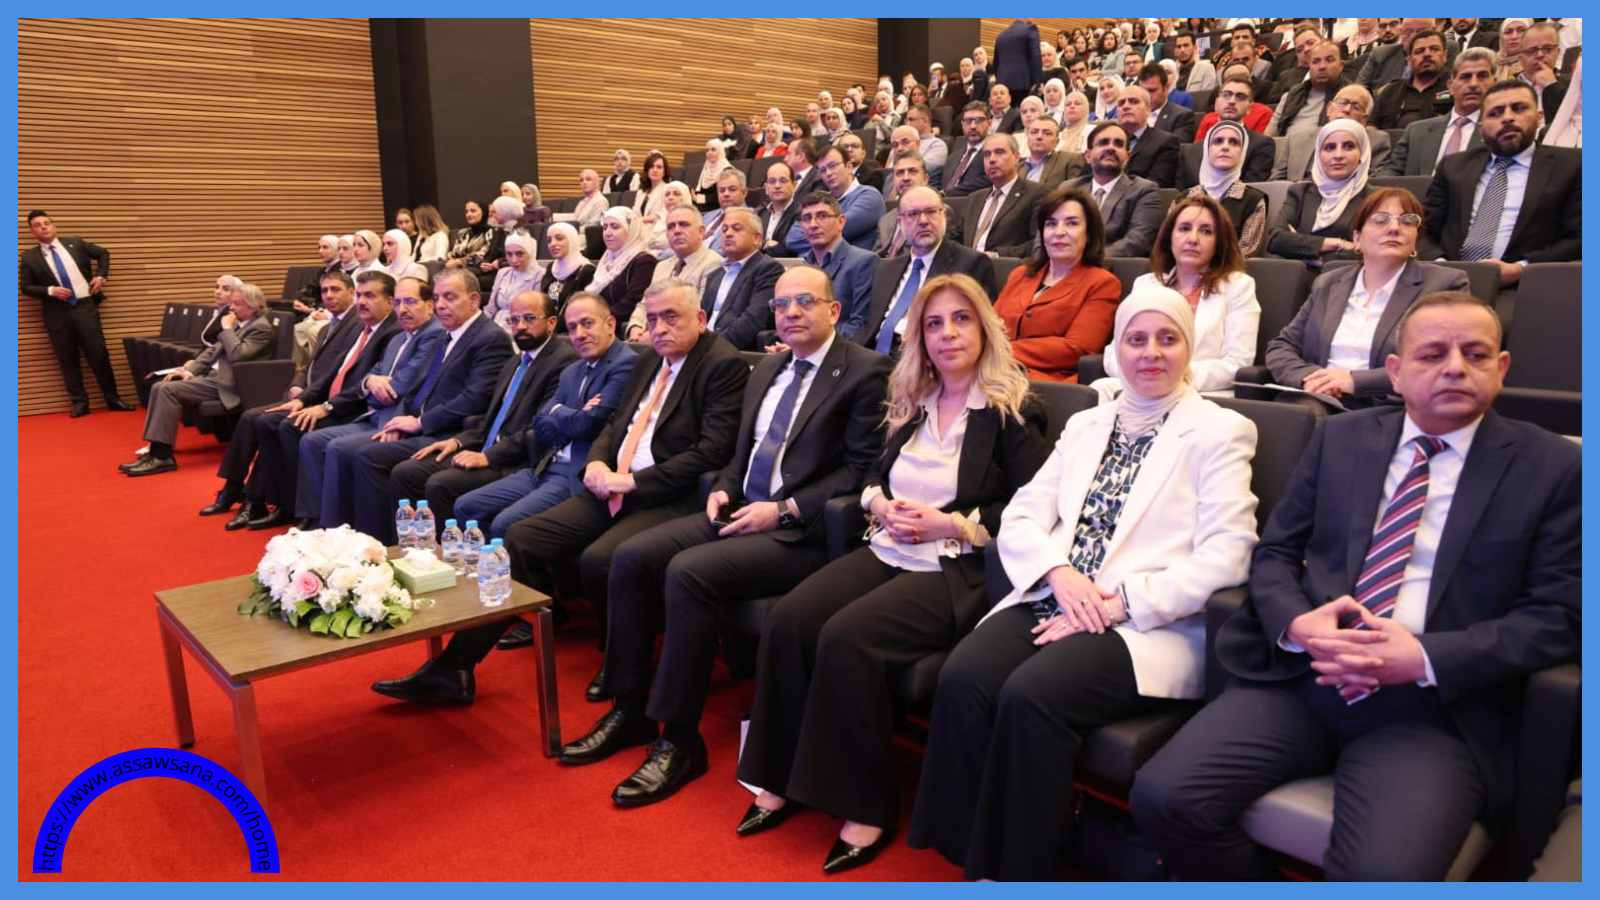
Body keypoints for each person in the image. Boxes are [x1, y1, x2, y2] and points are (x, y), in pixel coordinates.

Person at [1133, 292, 1580, 881]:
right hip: (1304, 678)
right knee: (1164, 796)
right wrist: (1298, 624)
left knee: (1382, 876)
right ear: (1395, 371)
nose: (1454, 367)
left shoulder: (1555, 467)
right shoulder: (1340, 438)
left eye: (1475, 354)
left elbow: (1561, 615)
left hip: (1432, 709)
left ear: (1501, 368)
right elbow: (1276, 554)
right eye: (1432, 354)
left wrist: (1422, 656)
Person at [911, 284, 1261, 881]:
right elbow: (1023, 515)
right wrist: (1059, 573)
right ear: (1117, 349)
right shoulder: (1087, 423)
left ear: (1188, 348)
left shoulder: (1220, 430)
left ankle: (1020, 872)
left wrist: (1117, 603)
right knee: (964, 676)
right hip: (1059, 592)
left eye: (1168, 339)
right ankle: (968, 848)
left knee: (1032, 695)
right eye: (1136, 339)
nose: (1151, 352)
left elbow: (1229, 555)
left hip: (1145, 622)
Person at [736, 273, 1051, 874]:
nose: (947, 333)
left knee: (848, 638)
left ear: (984, 327)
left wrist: (950, 523)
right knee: (791, 619)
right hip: (887, 546)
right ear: (920, 339)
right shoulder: (912, 401)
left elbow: (1032, 508)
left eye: (960, 319)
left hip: (956, 567)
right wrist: (878, 505)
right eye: (933, 324)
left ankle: (865, 804)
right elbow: (873, 478)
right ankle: (776, 775)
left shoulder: (1013, 410)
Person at [560, 265, 891, 807]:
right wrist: (725, 488)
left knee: (688, 572)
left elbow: (859, 471)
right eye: (780, 305)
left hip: (800, 532)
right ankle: (629, 706)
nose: (790, 313)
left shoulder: (865, 371)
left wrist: (782, 510)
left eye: (804, 302)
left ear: (834, 311)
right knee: (632, 557)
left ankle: (679, 739)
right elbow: (741, 452)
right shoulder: (767, 368)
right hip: (736, 509)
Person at [371, 280, 748, 705]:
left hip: (664, 494)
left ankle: (620, 663)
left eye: (671, 317)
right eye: (654, 318)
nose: (659, 328)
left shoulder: (721, 364)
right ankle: (455, 667)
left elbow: (712, 451)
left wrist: (632, 481)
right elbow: (614, 426)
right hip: (609, 482)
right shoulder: (650, 359)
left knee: (600, 559)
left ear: (701, 318)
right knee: (519, 539)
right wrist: (598, 463)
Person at [351, 290, 573, 542]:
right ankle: (411, 551)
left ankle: (452, 557)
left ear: (551, 322)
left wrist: (487, 456)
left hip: (515, 459)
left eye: (529, 318)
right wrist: (458, 441)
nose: (520, 326)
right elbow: (490, 418)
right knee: (407, 473)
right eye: (514, 320)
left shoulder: (562, 361)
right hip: (485, 445)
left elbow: (538, 428)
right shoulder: (516, 362)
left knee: (440, 484)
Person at [427, 293, 638, 542]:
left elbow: (588, 425)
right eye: (572, 327)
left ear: (611, 324)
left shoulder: (626, 364)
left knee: (505, 523)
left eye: (587, 323)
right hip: (543, 464)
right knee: (466, 506)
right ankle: (478, 563)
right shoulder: (573, 369)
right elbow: (541, 421)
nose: (579, 334)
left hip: (573, 473)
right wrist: (568, 413)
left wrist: (559, 411)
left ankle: (498, 566)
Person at [326, 267, 512, 535]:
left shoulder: (489, 337)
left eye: (450, 297)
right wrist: (402, 421)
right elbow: (420, 388)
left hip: (453, 432)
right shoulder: (448, 335)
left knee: (370, 457)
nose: (441, 305)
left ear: (474, 300)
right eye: (437, 298)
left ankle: (381, 542)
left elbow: (475, 399)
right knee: (361, 452)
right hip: (427, 426)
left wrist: (420, 422)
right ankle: (365, 536)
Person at [227, 271, 406, 529]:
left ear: (390, 301)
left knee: (290, 426)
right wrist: (304, 399)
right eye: (360, 295)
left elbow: (361, 386)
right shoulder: (364, 327)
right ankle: (275, 502)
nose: (362, 302)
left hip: (354, 409)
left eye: (370, 296)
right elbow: (332, 372)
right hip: (329, 400)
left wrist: (326, 407)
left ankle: (300, 509)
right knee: (267, 422)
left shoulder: (391, 333)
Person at [1267, 188, 1471, 411]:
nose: (1394, 228)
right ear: (1357, 238)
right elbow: (1282, 346)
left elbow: (1443, 360)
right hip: (1320, 399)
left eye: (1407, 221)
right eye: (1381, 220)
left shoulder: (1444, 285)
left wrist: (1356, 381)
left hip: (1391, 407)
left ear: (1415, 240)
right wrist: (1310, 377)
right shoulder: (1328, 283)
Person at [205, 270, 365, 519]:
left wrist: (306, 396)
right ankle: (233, 488)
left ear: (352, 293)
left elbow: (335, 373)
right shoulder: (326, 328)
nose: (329, 295)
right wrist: (297, 385)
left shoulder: (357, 326)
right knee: (250, 417)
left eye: (336, 289)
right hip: (306, 392)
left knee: (266, 422)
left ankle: (255, 497)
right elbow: (307, 366)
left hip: (323, 399)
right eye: (325, 290)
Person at [1421, 80, 1582, 286]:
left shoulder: (1572, 165)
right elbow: (1424, 229)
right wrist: (1441, 267)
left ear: (1539, 117)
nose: (1507, 118)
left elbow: (1581, 238)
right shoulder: (1453, 166)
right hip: (1450, 283)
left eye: (1519, 108)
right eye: (1495, 113)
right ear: (1481, 127)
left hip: (1526, 286)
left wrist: (1522, 268)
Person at [1100, 195, 1259, 396]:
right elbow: (1113, 353)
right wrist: (1146, 375)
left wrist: (1173, 374)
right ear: (1169, 237)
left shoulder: (1238, 286)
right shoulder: (1146, 284)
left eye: (1206, 231)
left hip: (1201, 391)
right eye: (1184, 228)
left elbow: (1238, 362)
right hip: (1141, 384)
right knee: (1100, 389)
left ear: (1219, 243)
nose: (1193, 239)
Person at [121, 281, 275, 475]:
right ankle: (157, 452)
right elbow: (212, 352)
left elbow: (238, 355)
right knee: (160, 386)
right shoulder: (239, 323)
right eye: (232, 303)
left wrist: (227, 329)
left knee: (167, 390)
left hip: (231, 384)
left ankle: (162, 457)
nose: (231, 307)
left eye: (237, 304)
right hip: (213, 378)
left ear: (253, 306)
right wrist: (190, 371)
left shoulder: (261, 328)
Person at [991, 186, 1121, 382]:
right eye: (1051, 224)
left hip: (1047, 383)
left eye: (1071, 223)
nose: (1059, 232)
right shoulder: (1020, 274)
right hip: (992, 371)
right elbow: (991, 326)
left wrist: (1000, 352)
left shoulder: (1102, 283)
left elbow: (1078, 348)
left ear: (1089, 233)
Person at [19, 210, 133, 416]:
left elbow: (103, 253)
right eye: (37, 225)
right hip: (57, 313)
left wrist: (101, 276)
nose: (43, 227)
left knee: (99, 354)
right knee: (67, 358)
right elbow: (26, 287)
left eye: (47, 223)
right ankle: (79, 402)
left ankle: (113, 399)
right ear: (32, 232)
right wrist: (50, 291)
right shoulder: (29, 257)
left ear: (54, 226)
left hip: (84, 308)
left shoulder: (75, 243)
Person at [863, 186, 997, 355]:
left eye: (931, 212)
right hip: (871, 356)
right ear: (900, 222)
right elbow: (865, 324)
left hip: (923, 357)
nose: (923, 221)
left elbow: (976, 330)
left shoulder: (971, 264)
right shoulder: (885, 268)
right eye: (913, 214)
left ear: (944, 215)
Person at [1265, 118, 1374, 264]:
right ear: (1318, 155)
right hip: (1298, 275)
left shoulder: (1375, 199)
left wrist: (1301, 247)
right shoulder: (1299, 193)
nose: (1338, 155)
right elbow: (1276, 240)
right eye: (1329, 147)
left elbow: (1369, 251)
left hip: (1348, 275)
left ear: (1362, 154)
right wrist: (1339, 243)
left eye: (1348, 147)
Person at [1381, 48, 1494, 177]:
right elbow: (1389, 173)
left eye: (1482, 76)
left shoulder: (1499, 133)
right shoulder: (1415, 131)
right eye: (1465, 77)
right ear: (1450, 86)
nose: (1473, 84)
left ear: (1494, 83)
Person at [1068, 121, 1166, 258]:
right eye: (1103, 142)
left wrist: (1087, 260)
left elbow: (1137, 241)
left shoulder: (1144, 191)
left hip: (1109, 265)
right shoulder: (1070, 188)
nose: (1111, 148)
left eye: (1118, 144)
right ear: (1088, 156)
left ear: (1127, 157)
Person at [625, 205, 722, 339]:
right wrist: (635, 326)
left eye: (684, 225)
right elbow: (644, 304)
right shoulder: (661, 266)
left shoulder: (714, 263)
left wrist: (652, 335)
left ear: (701, 232)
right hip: (648, 336)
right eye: (671, 227)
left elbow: (694, 312)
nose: (676, 231)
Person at [794, 191, 878, 341]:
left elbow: (858, 327)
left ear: (841, 222)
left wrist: (809, 340)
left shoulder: (864, 262)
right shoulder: (802, 268)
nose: (813, 225)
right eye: (807, 218)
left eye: (822, 216)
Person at [698, 208, 784, 351]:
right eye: (724, 230)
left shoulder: (768, 269)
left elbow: (753, 321)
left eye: (736, 229)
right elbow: (700, 319)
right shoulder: (715, 275)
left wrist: (712, 349)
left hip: (736, 352)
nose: (728, 234)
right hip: (704, 348)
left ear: (757, 239)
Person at [951, 134, 1047, 258]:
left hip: (1004, 265)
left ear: (1016, 157)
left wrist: (997, 255)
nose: (992, 159)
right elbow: (956, 238)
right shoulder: (975, 198)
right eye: (987, 154)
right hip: (968, 265)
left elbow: (1038, 243)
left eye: (999, 152)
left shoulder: (1036, 194)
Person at [1274, 84, 1393, 180]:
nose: (1347, 110)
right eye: (1343, 103)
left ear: (1364, 119)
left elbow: (1373, 182)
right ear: (1329, 109)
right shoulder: (1296, 139)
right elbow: (1277, 182)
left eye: (1356, 107)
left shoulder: (1376, 141)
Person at [1188, 121, 1268, 256]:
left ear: (1242, 152)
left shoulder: (1253, 201)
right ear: (1207, 149)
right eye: (1218, 141)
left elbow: (1246, 252)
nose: (1225, 147)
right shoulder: (1184, 198)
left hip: (1229, 268)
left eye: (1234, 142)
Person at [589, 207, 657, 338]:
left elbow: (631, 303)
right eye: (605, 227)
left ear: (631, 230)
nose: (607, 233)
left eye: (615, 227)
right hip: (599, 326)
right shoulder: (606, 260)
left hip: (617, 330)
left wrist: (595, 320)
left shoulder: (644, 261)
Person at [1372, 29, 1454, 130]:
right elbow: (1371, 127)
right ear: (1409, 61)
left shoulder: (1456, 87)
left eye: (1434, 49)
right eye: (1419, 51)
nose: (1427, 54)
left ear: (1445, 56)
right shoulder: (1390, 91)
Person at [1268, 40, 1351, 137]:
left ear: (1341, 66)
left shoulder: (1352, 97)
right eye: (1315, 62)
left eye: (1329, 60)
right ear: (1309, 67)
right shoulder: (1290, 97)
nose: (1322, 66)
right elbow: (1269, 138)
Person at [1114, 85, 1180, 187]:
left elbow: (1156, 184)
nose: (1125, 106)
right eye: (1121, 103)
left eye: (1134, 101)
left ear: (1148, 109)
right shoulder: (1108, 141)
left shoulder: (1165, 142)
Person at [484, 233, 546, 330]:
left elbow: (535, 313)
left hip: (522, 328)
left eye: (519, 254)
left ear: (530, 253)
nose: (514, 260)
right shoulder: (503, 273)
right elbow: (491, 308)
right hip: (496, 326)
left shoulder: (540, 275)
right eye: (509, 254)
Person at [539, 223, 596, 325]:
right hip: (547, 325)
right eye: (549, 240)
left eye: (559, 238)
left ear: (572, 240)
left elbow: (583, 309)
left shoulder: (586, 270)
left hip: (570, 326)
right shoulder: (551, 267)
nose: (552, 244)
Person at [1019, 115, 1085, 190]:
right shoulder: (1018, 165)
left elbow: (1075, 193)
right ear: (1027, 138)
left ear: (1057, 141)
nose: (1039, 136)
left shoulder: (1070, 160)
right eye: (1034, 132)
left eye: (1047, 133)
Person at [944, 102, 995, 198]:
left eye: (978, 121)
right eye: (968, 121)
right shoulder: (952, 157)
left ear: (989, 123)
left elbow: (989, 180)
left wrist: (946, 194)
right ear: (962, 124)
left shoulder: (994, 153)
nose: (973, 126)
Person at [1140, 63, 1197, 137]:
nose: (1147, 95)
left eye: (1152, 90)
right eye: (1143, 91)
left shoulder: (1182, 116)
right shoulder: (1132, 114)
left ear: (1166, 88)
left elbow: (1176, 143)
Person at [757, 161, 801, 259]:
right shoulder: (759, 213)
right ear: (766, 188)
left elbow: (791, 251)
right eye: (772, 181)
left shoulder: (802, 213)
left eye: (783, 181)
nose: (777, 186)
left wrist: (762, 244)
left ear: (794, 185)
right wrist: (767, 243)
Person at [445, 200, 491, 268]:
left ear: (484, 213)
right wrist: (448, 260)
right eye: (467, 211)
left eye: (473, 211)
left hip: (476, 268)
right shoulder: (463, 232)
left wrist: (460, 262)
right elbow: (454, 253)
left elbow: (483, 255)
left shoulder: (490, 232)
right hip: (456, 268)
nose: (468, 214)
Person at [692, 139, 733, 212]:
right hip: (703, 207)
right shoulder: (706, 168)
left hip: (719, 209)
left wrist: (702, 198)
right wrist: (694, 195)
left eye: (713, 150)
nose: (709, 153)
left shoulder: (727, 170)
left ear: (720, 151)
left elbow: (725, 194)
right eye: (707, 150)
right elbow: (701, 191)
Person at [632, 151, 672, 223]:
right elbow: (634, 214)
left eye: (659, 167)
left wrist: (641, 220)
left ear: (664, 172)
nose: (655, 170)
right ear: (647, 170)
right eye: (651, 167)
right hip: (639, 228)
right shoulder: (641, 192)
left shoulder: (668, 190)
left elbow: (664, 215)